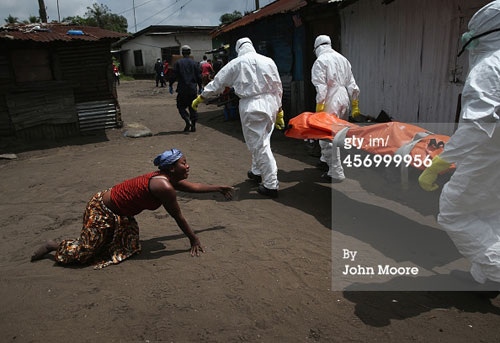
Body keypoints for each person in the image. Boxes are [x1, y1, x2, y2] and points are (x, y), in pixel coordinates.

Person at [31, 149, 233, 268]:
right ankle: (53, 245)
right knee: (85, 253)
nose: (187, 166)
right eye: (183, 163)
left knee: (126, 247)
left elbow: (194, 188)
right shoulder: (163, 186)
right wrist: (194, 239)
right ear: (172, 168)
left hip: (122, 213)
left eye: (186, 162)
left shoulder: (167, 178)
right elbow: (177, 216)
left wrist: (219, 188)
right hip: (102, 209)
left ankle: (107, 240)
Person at [418, 1, 500, 284]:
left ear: (483, 34)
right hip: (493, 155)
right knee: (491, 212)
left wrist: (438, 163)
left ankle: (496, 269)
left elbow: (477, 126)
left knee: (454, 212)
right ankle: (486, 277)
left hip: (487, 156)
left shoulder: (489, 68)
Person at [191, 37, 284, 198]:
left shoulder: (237, 63)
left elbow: (218, 83)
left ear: (238, 48)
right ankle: (256, 171)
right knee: (262, 140)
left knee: (259, 145)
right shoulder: (268, 61)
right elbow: (278, 86)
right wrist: (280, 110)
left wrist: (202, 96)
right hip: (271, 104)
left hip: (252, 106)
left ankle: (271, 184)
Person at [311, 35, 360, 182]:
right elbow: (352, 84)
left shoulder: (320, 61)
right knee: (338, 133)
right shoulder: (343, 59)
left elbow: (321, 88)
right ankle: (325, 161)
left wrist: (319, 108)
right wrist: (355, 104)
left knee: (326, 136)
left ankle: (336, 172)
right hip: (344, 98)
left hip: (330, 99)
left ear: (317, 47)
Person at [169, 45, 202, 132]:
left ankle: (187, 120)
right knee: (193, 107)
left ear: (182, 53)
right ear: (190, 52)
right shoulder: (195, 63)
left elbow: (173, 76)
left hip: (182, 89)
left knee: (180, 106)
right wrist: (200, 87)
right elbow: (199, 76)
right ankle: (193, 126)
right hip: (192, 89)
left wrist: (170, 85)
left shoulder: (178, 63)